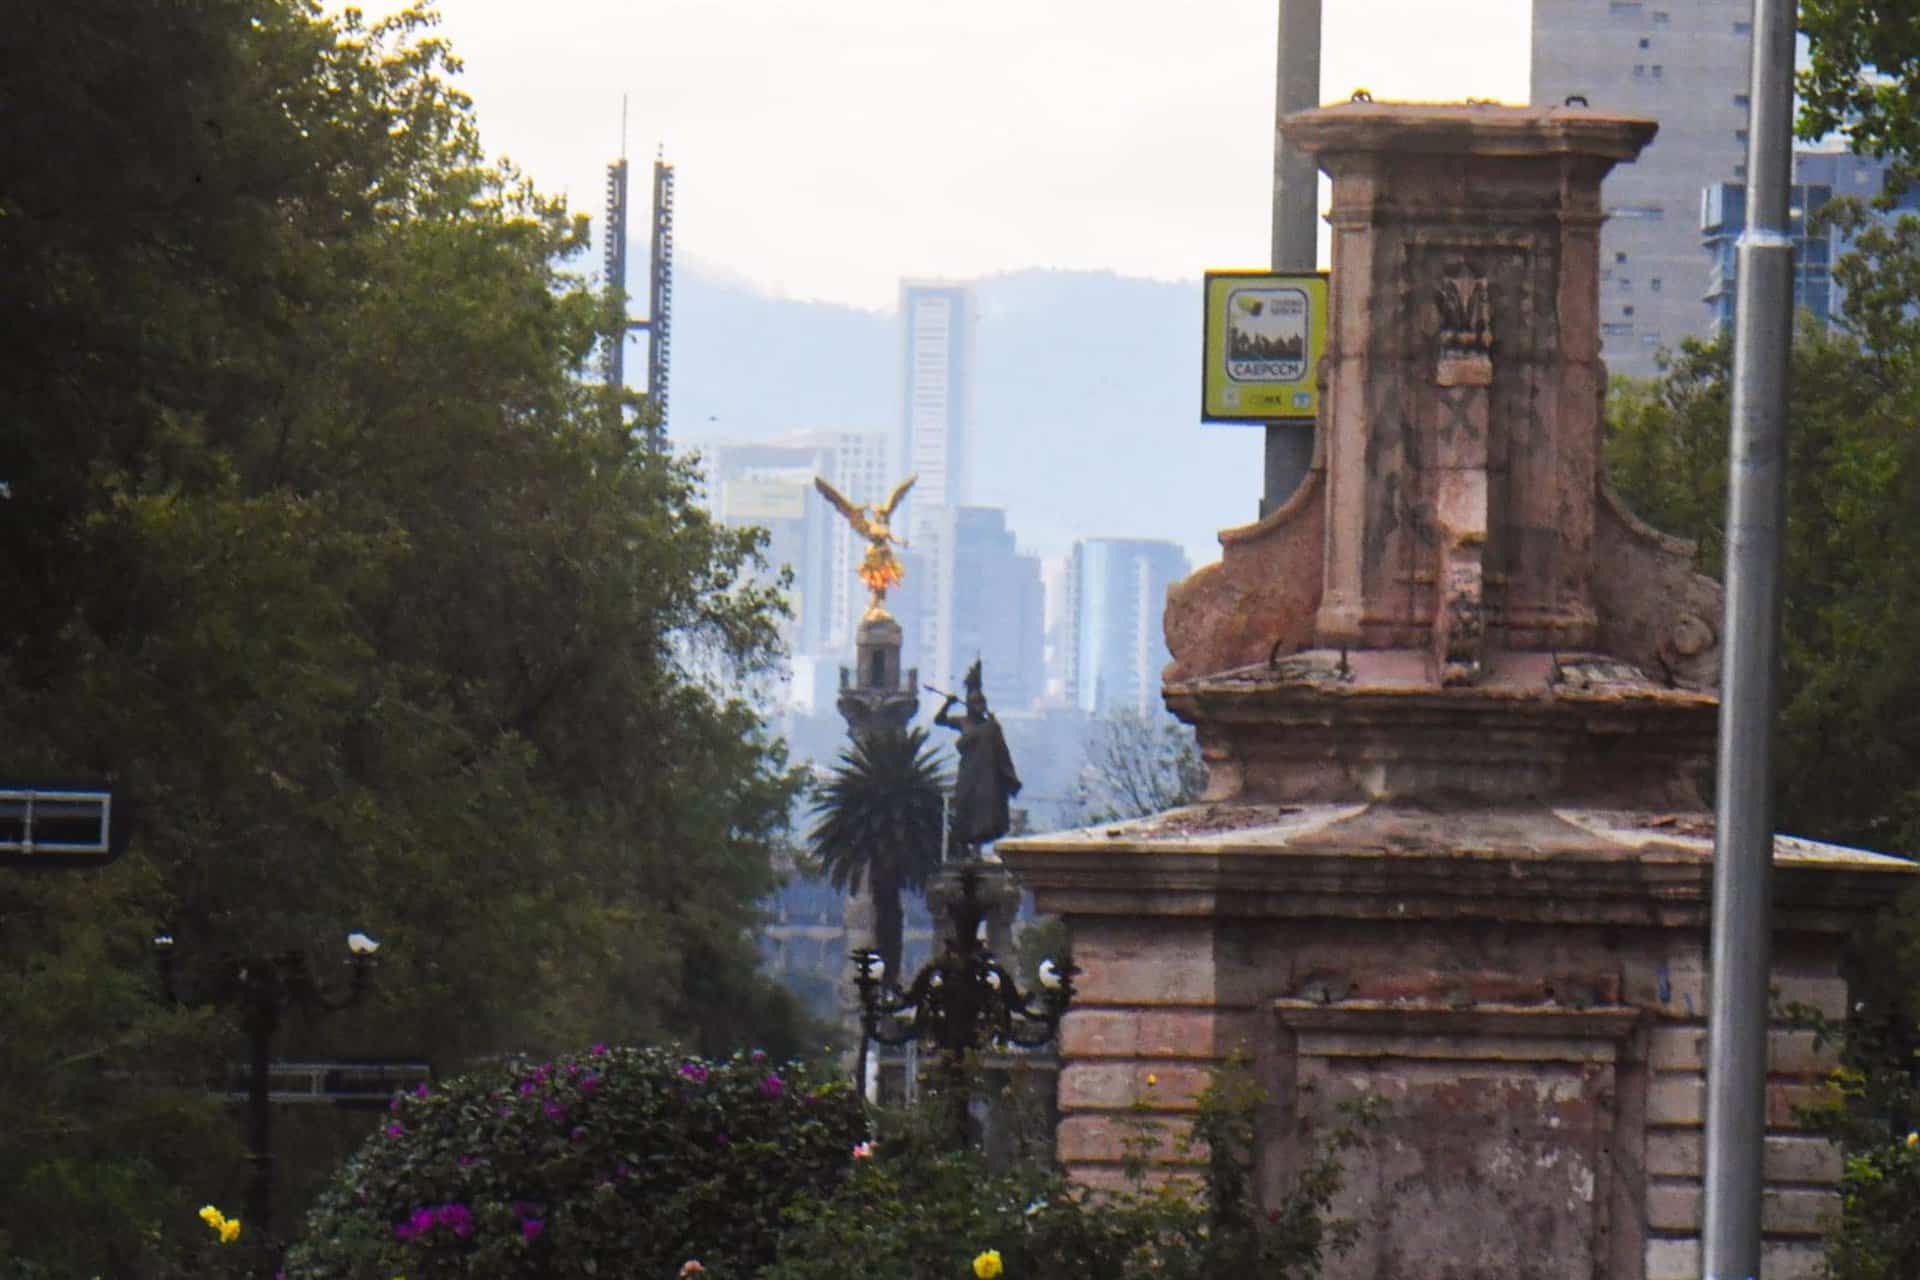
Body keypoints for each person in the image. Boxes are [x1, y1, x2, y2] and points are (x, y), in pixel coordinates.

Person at [934, 661, 1022, 855]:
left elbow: (1002, 752)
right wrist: (948, 703)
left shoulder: (991, 727)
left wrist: (1009, 777)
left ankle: (977, 851)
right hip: (968, 773)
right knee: (965, 808)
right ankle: (968, 850)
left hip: (986, 777)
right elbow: (939, 720)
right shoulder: (963, 722)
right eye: (977, 703)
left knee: (984, 813)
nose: (980, 706)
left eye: (982, 703)